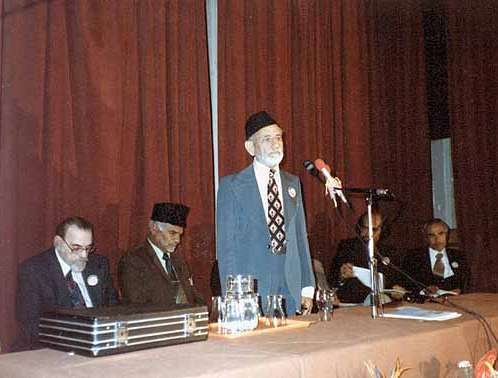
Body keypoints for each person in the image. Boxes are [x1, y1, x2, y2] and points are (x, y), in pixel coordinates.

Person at [216, 111, 327, 316]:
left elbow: (300, 238)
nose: (276, 144)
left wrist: (307, 287)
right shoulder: (231, 186)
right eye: (267, 139)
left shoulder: (292, 183)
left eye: (278, 138)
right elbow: (226, 249)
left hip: (290, 285)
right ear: (250, 147)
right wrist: (234, 297)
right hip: (252, 289)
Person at [15, 216, 118, 351]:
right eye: (76, 248)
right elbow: (30, 324)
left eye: (88, 248)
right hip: (54, 349)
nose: (84, 255)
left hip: (99, 344)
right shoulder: (34, 270)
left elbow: (114, 308)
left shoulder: (99, 265)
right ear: (58, 242)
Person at [118, 202, 204, 306]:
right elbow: (137, 305)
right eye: (172, 233)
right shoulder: (133, 261)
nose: (177, 240)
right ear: (154, 228)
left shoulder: (178, 261)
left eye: (180, 235)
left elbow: (192, 295)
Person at [329, 210, 403, 303]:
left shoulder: (390, 252)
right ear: (359, 228)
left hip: (383, 303)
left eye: (374, 229)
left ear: (382, 230)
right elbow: (332, 278)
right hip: (354, 303)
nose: (369, 233)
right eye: (365, 228)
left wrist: (397, 290)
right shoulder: (347, 246)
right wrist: (341, 276)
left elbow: (395, 281)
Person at [401, 218, 470, 295]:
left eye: (441, 233)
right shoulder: (414, 257)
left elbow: (467, 282)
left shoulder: (459, 256)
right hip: (427, 302)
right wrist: (423, 291)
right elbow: (406, 283)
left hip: (456, 300)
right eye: (432, 235)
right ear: (426, 238)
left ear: (446, 235)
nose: (437, 239)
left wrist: (461, 290)